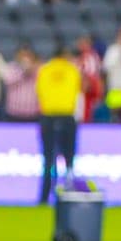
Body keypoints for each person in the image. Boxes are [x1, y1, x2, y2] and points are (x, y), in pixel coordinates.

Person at [35, 44, 82, 204]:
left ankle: (44, 196)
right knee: (69, 159)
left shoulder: (44, 70)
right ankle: (68, 195)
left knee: (48, 159)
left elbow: (39, 92)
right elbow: (77, 91)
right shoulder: (72, 70)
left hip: (48, 117)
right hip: (67, 116)